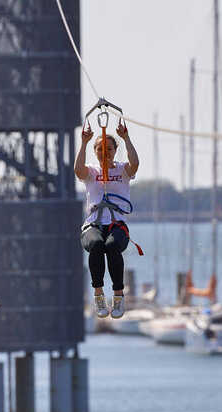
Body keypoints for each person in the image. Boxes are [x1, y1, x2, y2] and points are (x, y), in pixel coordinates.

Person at [74, 118, 139, 319]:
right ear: (95, 152)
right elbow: (78, 169)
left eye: (109, 149)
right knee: (96, 244)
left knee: (111, 246)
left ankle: (118, 296)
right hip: (93, 225)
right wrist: (84, 143)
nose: (105, 153)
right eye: (100, 150)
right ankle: (99, 293)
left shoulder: (122, 170)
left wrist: (126, 138)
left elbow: (135, 163)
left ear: (114, 150)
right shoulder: (91, 172)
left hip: (116, 225)